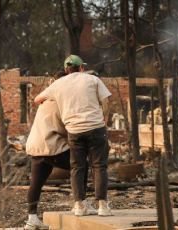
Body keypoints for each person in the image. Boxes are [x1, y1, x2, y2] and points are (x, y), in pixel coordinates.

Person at [34, 55, 112, 216]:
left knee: (77, 167)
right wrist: (105, 119)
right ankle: (103, 206)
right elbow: (106, 100)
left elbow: (37, 99)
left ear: (66, 69)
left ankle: (79, 206)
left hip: (74, 131)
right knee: (99, 166)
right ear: (81, 68)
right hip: (96, 128)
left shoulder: (58, 84)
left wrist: (48, 100)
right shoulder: (92, 79)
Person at [24, 77, 95, 230]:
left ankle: (32, 219)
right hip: (51, 145)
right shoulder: (62, 100)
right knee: (81, 164)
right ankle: (80, 203)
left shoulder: (46, 99)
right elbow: (69, 127)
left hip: (36, 145)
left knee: (36, 182)